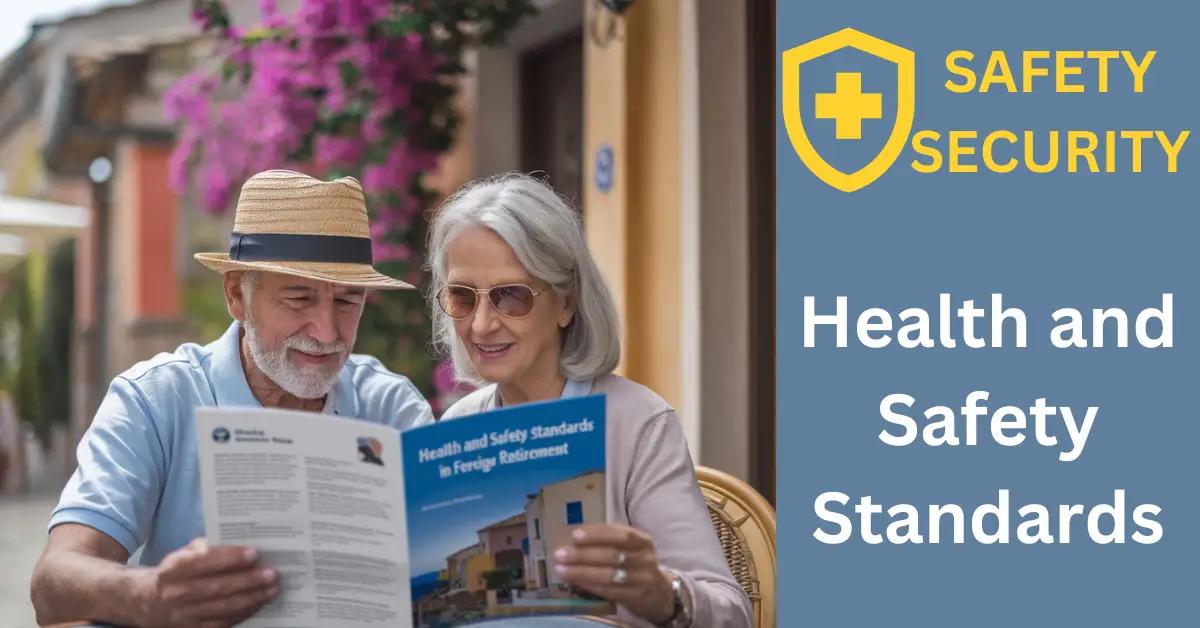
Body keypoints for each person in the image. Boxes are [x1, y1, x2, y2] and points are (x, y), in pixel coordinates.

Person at [30, 170, 433, 627]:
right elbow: (52, 582)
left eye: (347, 301)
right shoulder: (155, 398)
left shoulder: (391, 408)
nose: (327, 332)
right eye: (299, 299)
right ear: (237, 296)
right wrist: (151, 595)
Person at [429, 173, 753, 628]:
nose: (481, 325)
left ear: (567, 304)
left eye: (511, 298)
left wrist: (663, 594)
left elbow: (733, 614)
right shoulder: (458, 425)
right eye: (463, 297)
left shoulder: (635, 422)